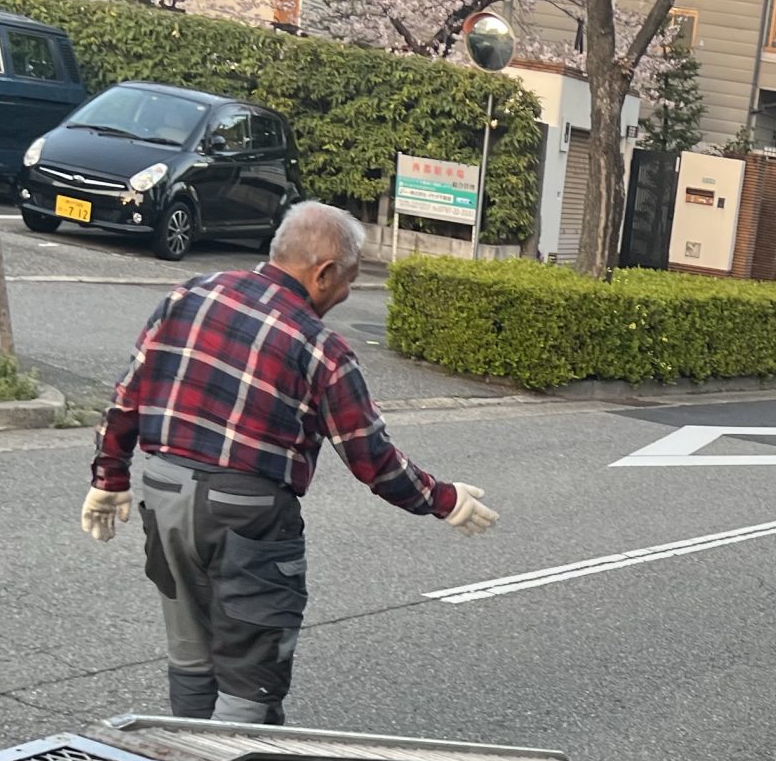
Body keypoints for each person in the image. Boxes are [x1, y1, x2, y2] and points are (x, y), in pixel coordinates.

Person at [80, 200, 496, 724]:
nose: (346, 294)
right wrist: (444, 499)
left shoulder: (187, 296)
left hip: (162, 495)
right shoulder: (321, 348)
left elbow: (128, 397)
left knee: (191, 658)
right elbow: (371, 457)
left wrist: (109, 477)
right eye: (348, 281)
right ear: (324, 273)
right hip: (247, 513)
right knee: (249, 680)